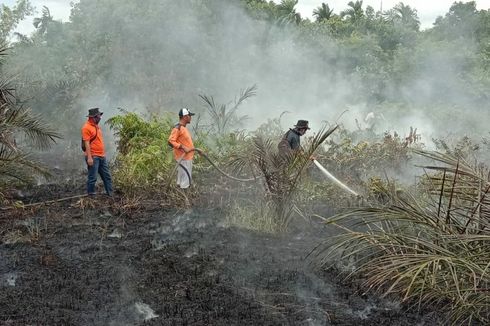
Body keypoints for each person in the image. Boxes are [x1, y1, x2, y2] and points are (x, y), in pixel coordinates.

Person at [81, 107, 113, 197]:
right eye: (99, 116)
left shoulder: (96, 127)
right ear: (93, 117)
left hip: (101, 156)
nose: (100, 118)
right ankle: (91, 194)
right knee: (93, 177)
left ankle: (110, 193)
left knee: (107, 176)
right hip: (93, 156)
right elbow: (86, 143)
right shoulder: (86, 128)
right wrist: (90, 157)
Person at [168, 108, 196, 189]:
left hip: (186, 159)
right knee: (185, 182)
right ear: (185, 117)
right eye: (189, 115)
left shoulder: (183, 128)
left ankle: (181, 198)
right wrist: (182, 147)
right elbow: (170, 141)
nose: (191, 117)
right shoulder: (178, 128)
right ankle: (184, 200)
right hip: (183, 159)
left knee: (182, 182)